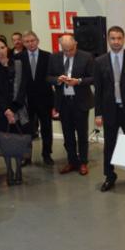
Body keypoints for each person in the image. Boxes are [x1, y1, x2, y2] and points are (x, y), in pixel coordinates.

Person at [94, 26, 125, 192]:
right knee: (110, 145)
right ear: (108, 40)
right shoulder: (99, 61)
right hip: (110, 110)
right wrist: (98, 113)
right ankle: (110, 176)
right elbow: (98, 90)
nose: (116, 41)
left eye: (119, 38)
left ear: (123, 39)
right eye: (112, 38)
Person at [0, 37, 29, 185]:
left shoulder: (18, 64)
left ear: (7, 48)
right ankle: (9, 170)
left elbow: (23, 87)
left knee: (17, 141)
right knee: (5, 142)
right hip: (0, 111)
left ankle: (19, 170)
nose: (0, 51)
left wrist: (14, 108)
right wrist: (6, 110)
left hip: (18, 108)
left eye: (2, 47)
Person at [47, 35, 94, 175]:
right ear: (61, 47)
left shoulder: (86, 57)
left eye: (71, 49)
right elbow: (48, 77)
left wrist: (78, 81)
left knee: (82, 133)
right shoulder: (54, 57)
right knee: (67, 134)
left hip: (80, 101)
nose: (68, 53)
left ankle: (83, 162)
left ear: (76, 44)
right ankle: (72, 161)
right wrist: (57, 79)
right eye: (65, 50)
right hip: (63, 102)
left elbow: (94, 78)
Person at [19, 31, 54, 166]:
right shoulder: (18, 57)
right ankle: (26, 156)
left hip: (45, 99)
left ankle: (47, 154)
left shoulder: (48, 56)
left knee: (46, 127)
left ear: (37, 41)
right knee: (26, 129)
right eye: (27, 41)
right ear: (23, 43)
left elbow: (51, 77)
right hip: (26, 100)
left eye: (32, 40)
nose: (30, 43)